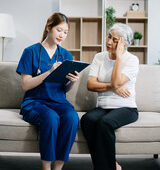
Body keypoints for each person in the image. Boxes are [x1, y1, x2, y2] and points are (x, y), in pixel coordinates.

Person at [16, 12, 79, 170]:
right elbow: (26, 85)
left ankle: (58, 168)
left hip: (58, 101)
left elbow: (65, 88)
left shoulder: (66, 55)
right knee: (51, 118)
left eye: (65, 32)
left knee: (72, 117)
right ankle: (46, 168)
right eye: (59, 30)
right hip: (35, 102)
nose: (62, 35)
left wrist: (72, 81)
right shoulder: (30, 52)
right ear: (48, 28)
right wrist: (49, 72)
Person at [81, 23, 139, 170]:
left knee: (105, 123)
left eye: (114, 40)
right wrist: (115, 87)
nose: (108, 42)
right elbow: (91, 85)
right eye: (109, 36)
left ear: (124, 44)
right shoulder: (99, 57)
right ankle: (112, 165)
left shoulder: (132, 60)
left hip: (127, 108)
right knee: (87, 120)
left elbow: (115, 81)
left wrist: (118, 59)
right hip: (103, 106)